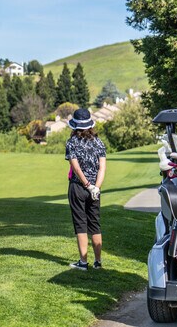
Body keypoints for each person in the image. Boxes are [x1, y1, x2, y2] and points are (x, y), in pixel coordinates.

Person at [65, 108, 106, 270]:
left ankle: (83, 262)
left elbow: (75, 167)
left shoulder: (71, 142)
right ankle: (98, 262)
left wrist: (87, 185)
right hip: (95, 189)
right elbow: (102, 167)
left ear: (75, 125)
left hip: (77, 187)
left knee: (80, 224)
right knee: (95, 224)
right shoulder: (98, 142)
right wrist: (96, 187)